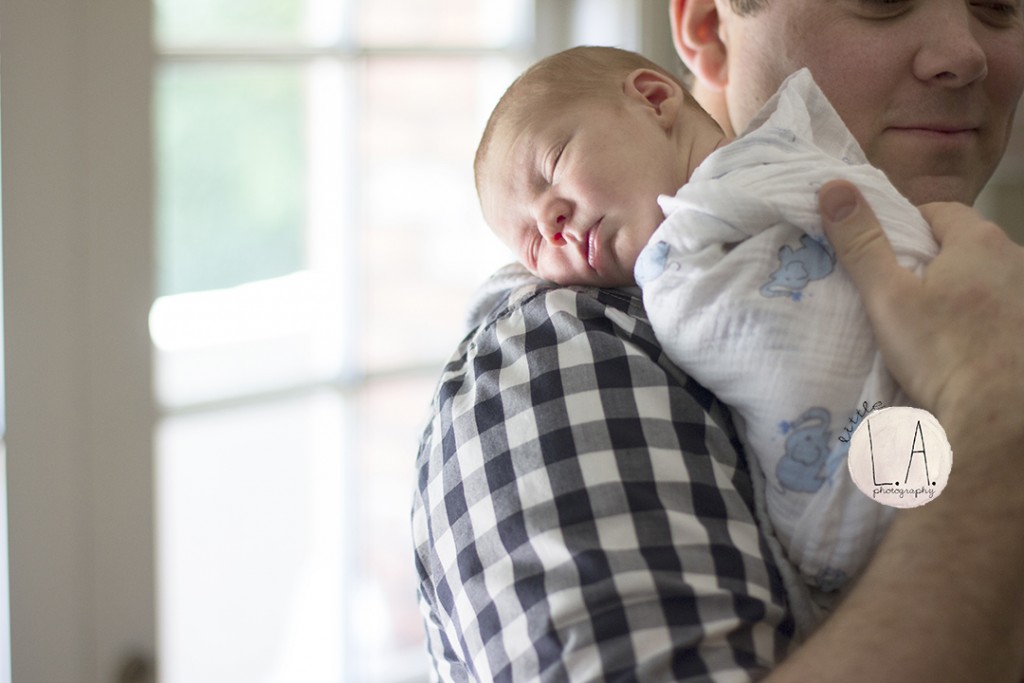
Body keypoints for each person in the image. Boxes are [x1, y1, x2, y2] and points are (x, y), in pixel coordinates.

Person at [413, 0, 1024, 679]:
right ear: (707, 25)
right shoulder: (569, 356)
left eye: (999, 5)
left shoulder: (981, 305)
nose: (966, 54)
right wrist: (998, 431)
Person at [474, 45, 936, 614]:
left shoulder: (780, 163)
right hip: (892, 539)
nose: (552, 222)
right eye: (533, 243)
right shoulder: (576, 337)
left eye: (553, 166)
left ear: (654, 98)